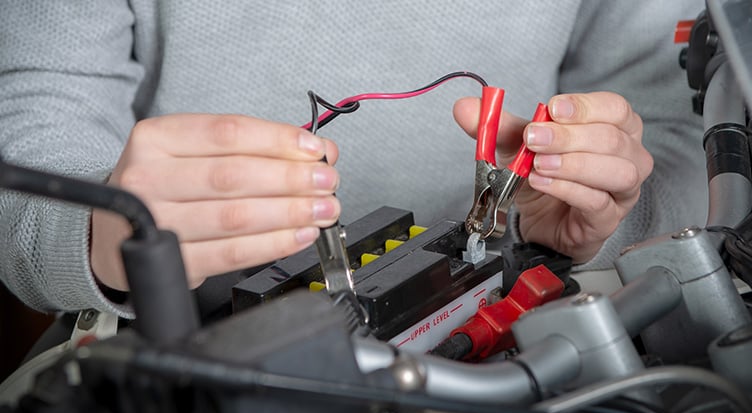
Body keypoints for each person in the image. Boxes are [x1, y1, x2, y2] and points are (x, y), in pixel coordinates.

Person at [0, 0, 708, 318]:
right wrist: (100, 235)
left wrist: (605, 213)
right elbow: (28, 124)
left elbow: (686, 145)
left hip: (518, 313)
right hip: (184, 341)